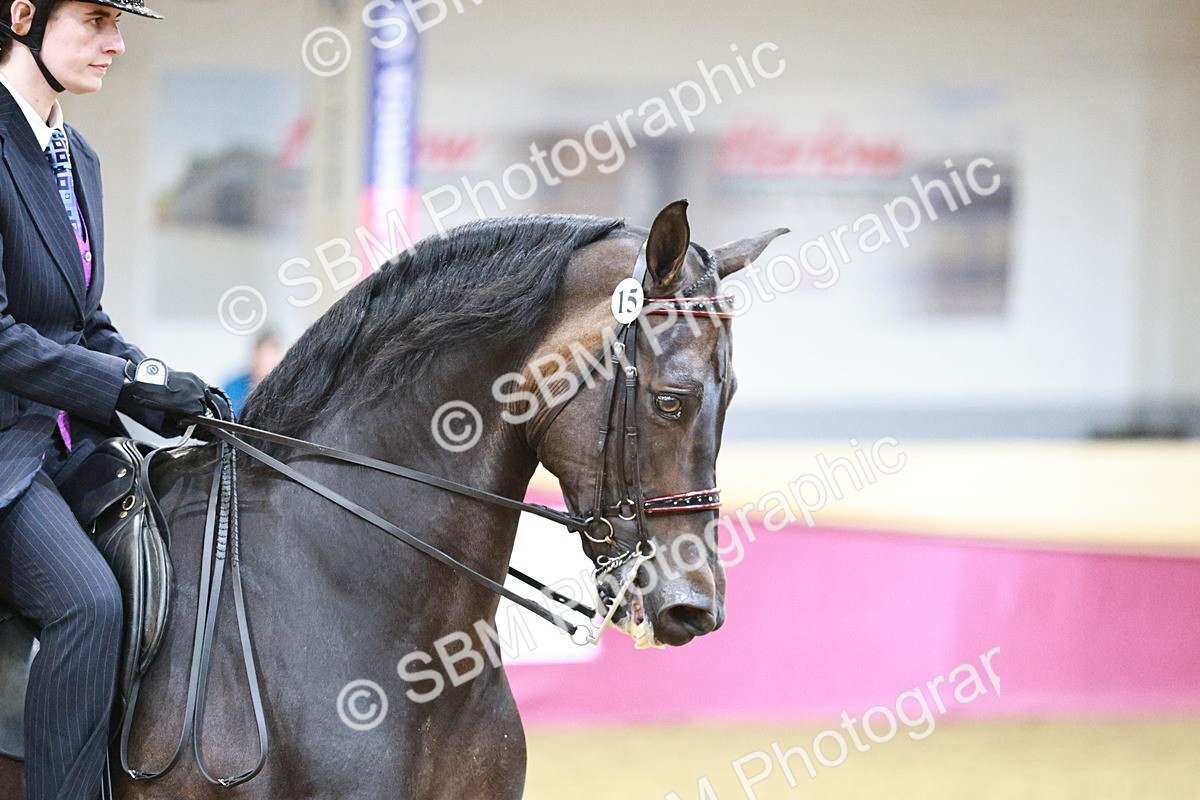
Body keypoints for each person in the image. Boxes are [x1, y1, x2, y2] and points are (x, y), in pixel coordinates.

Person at [0, 1, 222, 797]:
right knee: (88, 603)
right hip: (5, 451)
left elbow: (83, 323)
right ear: (24, 13)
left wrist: (168, 391)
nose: (117, 43)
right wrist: (127, 384)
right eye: (96, 18)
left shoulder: (77, 156)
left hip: (66, 438)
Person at [224, 328, 285, 416]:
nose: (271, 364)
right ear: (255, 356)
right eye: (266, 357)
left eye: (274, 358)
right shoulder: (233, 387)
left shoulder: (284, 392)